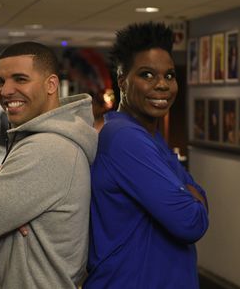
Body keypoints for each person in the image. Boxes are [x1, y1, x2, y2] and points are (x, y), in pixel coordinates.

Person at [0, 41, 98, 288]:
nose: (6, 91)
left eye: (20, 79)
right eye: (0, 81)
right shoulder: (34, 139)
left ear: (51, 84)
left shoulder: (48, 149)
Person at [83, 22, 209, 288]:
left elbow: (199, 197)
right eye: (147, 75)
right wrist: (189, 195)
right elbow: (192, 221)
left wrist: (193, 196)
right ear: (122, 81)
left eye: (170, 75)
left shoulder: (150, 136)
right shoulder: (124, 138)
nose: (162, 85)